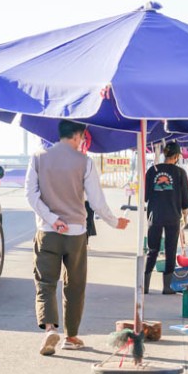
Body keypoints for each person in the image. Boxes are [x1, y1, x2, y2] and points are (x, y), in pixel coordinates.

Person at [25, 120, 128, 356]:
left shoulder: (38, 158)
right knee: (75, 285)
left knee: (45, 283)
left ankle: (50, 328)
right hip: (76, 233)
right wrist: (115, 222)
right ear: (79, 135)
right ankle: (71, 336)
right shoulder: (85, 162)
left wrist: (52, 218)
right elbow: (96, 201)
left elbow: (30, 195)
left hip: (48, 232)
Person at [144, 141, 188, 294]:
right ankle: (167, 287)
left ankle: (144, 286)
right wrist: (185, 216)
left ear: (164, 154)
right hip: (173, 216)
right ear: (176, 156)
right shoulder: (180, 173)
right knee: (170, 250)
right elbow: (185, 199)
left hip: (154, 215)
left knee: (152, 250)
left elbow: (145, 196)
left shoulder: (152, 170)